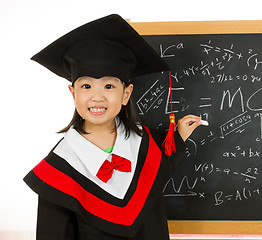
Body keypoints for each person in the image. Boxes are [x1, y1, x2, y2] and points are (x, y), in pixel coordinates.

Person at [24, 14, 201, 239]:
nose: (97, 97)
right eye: (86, 85)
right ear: (73, 93)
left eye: (109, 86)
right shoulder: (59, 168)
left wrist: (179, 136)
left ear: (126, 94)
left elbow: (160, 167)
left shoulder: (146, 144)